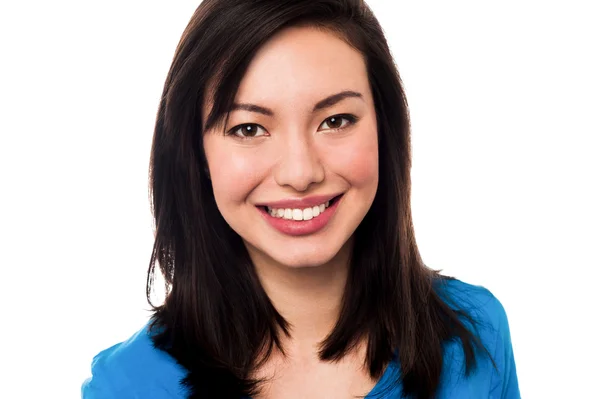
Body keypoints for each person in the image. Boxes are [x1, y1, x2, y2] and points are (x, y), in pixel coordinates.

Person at [81, 0, 520, 398]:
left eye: (335, 120)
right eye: (249, 129)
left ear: (385, 132)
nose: (300, 173)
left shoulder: (477, 332)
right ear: (195, 154)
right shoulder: (126, 386)